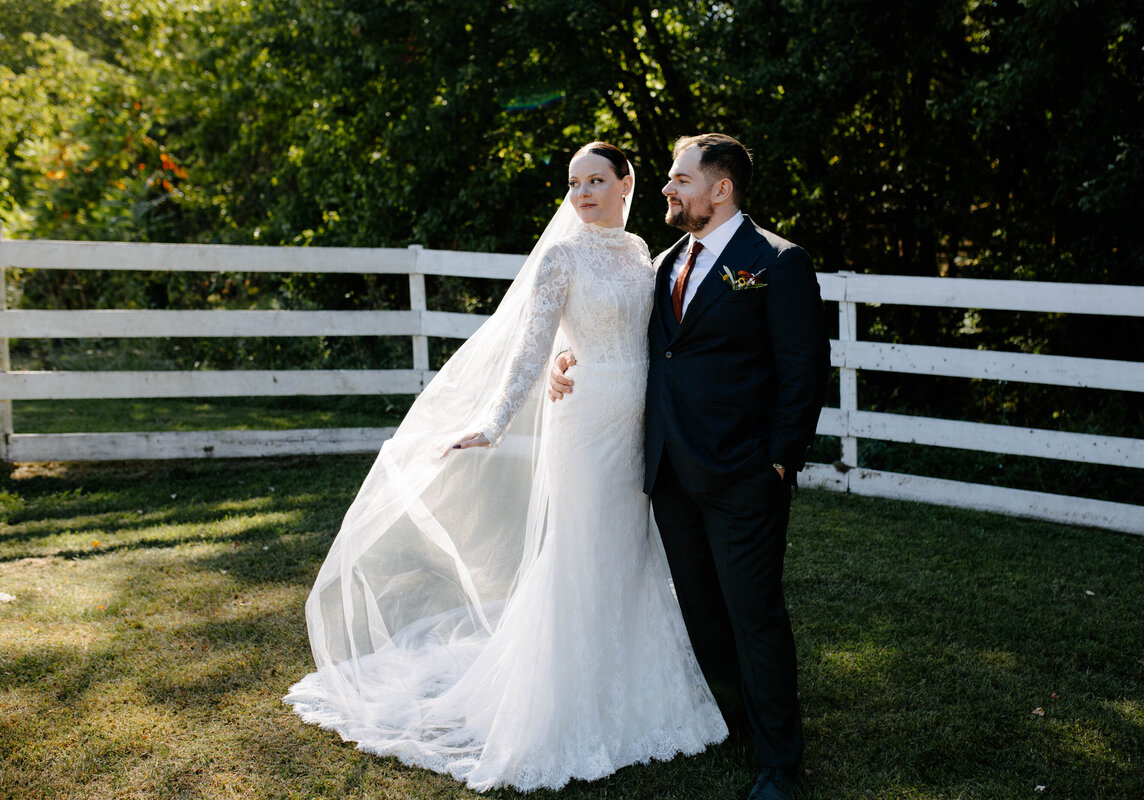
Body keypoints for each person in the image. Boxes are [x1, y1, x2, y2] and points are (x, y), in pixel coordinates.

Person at [284, 142, 727, 792]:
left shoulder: (640, 255)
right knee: (581, 551)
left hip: (641, 428)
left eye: (596, 181)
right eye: (575, 184)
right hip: (585, 432)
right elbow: (531, 348)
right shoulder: (561, 256)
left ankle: (633, 686)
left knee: (631, 550)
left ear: (627, 183)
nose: (583, 195)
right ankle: (564, 704)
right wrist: (493, 421)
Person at [550, 133, 830, 800]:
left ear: (721, 188)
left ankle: (778, 762)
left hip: (744, 477)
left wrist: (780, 464)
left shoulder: (776, 263)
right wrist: (567, 357)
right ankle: (731, 721)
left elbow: (804, 371)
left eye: (680, 179)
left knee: (754, 615)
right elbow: (626, 341)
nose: (668, 190)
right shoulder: (667, 260)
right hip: (670, 475)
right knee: (702, 615)